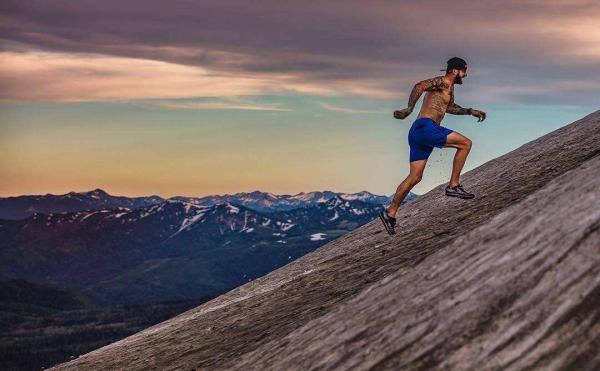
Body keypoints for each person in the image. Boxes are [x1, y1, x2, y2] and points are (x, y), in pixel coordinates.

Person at [379, 57, 487, 235]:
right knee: (466, 144)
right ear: (455, 70)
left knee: (415, 177)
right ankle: (453, 186)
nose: (465, 75)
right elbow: (419, 86)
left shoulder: (448, 89)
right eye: (464, 71)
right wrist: (409, 108)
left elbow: (449, 107)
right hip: (427, 127)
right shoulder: (443, 81)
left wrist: (469, 111)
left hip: (417, 132)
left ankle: (390, 212)